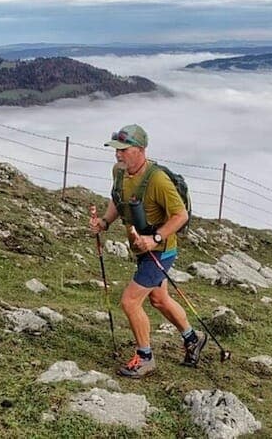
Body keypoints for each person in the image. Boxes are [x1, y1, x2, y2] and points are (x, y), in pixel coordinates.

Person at [89, 123, 207, 378]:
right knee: (159, 299)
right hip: (142, 249)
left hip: (161, 251)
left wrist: (155, 238)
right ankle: (192, 338)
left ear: (141, 150)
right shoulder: (119, 171)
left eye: (124, 149)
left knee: (130, 301)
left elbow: (181, 215)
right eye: (116, 150)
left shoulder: (158, 180)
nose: (118, 155)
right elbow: (117, 199)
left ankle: (145, 358)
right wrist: (105, 222)